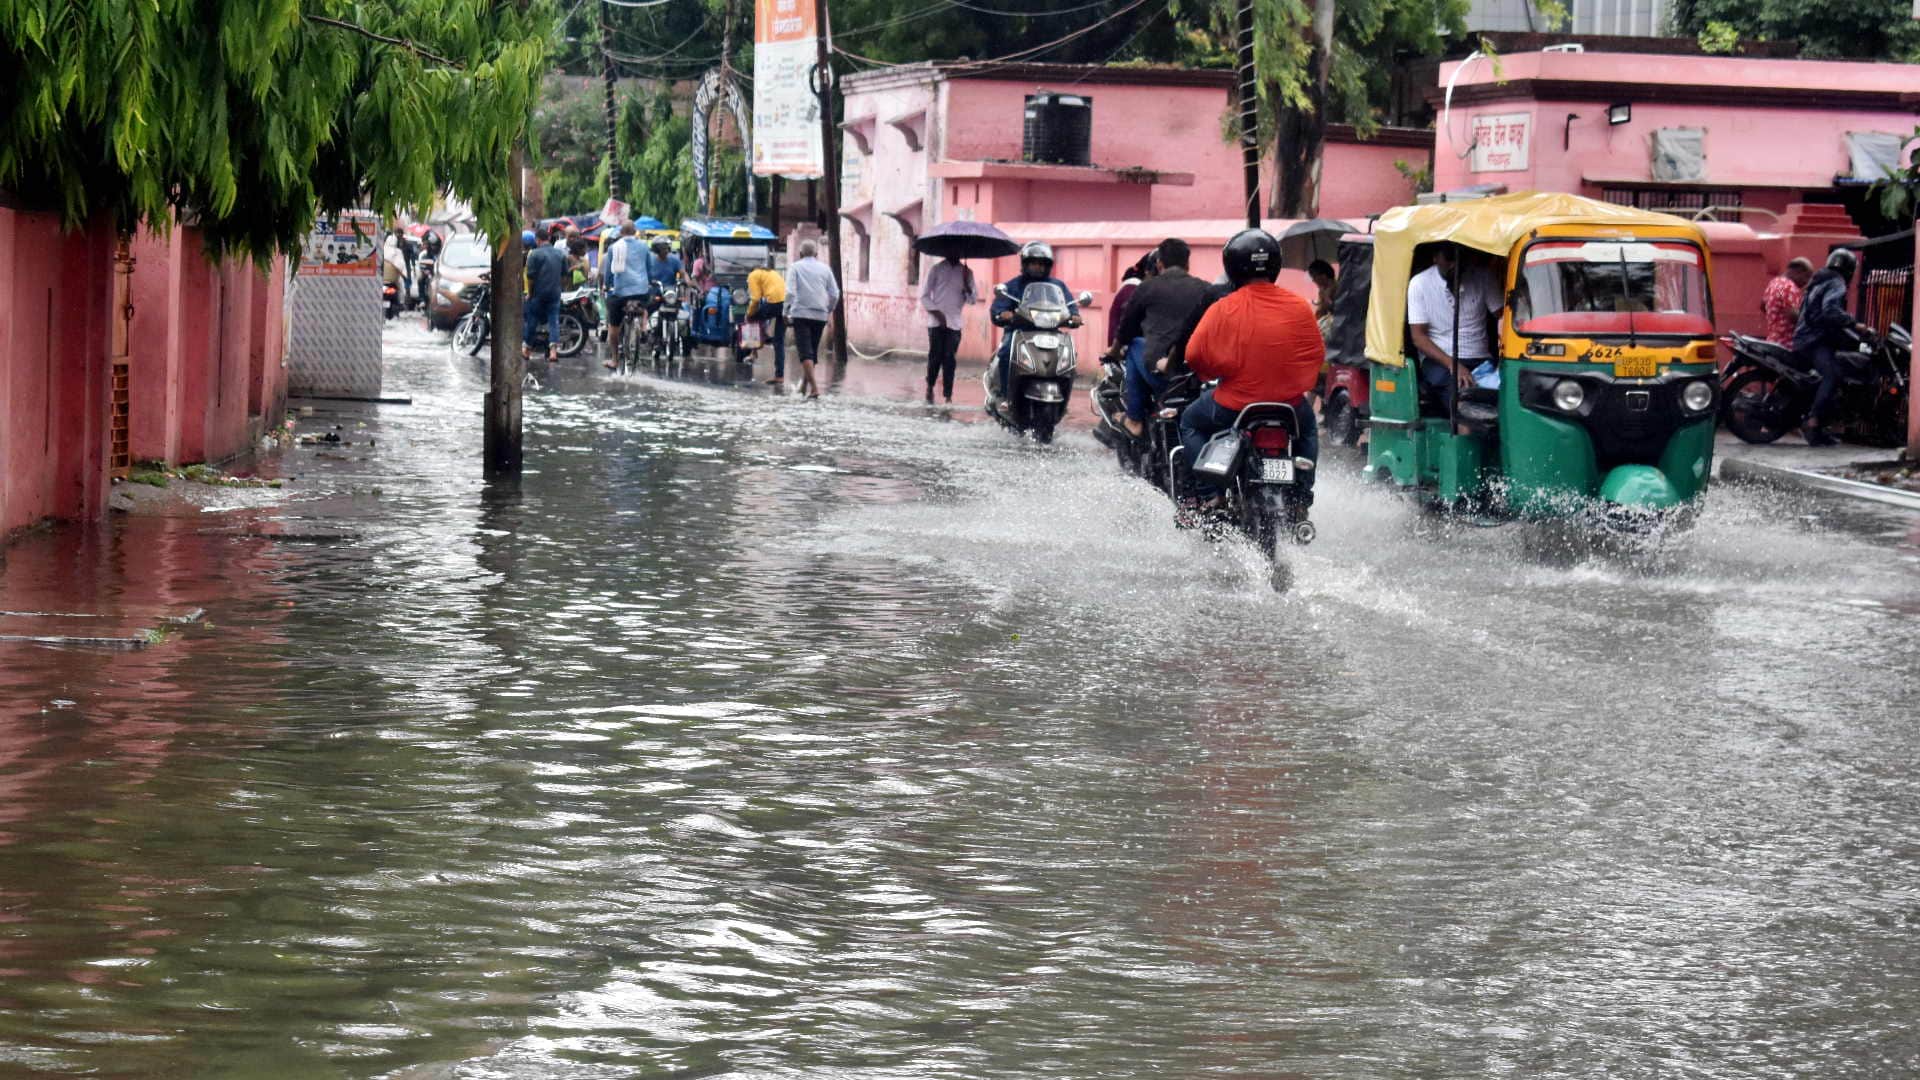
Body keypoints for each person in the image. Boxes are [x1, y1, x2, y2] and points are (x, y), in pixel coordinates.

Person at [1179, 228, 1324, 508]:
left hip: (1233, 405)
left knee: (1190, 422)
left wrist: (1215, 371)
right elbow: (1316, 354)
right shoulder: (1300, 306)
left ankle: (1210, 495)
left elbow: (1194, 354)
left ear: (1232, 266)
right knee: (1307, 431)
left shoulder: (1224, 307)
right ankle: (1302, 497)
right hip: (1289, 406)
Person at [1106, 238, 1209, 438]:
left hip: (1163, 373)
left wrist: (1114, 350)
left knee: (1135, 344)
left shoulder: (1146, 288)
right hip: (1198, 375)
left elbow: (1126, 329)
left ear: (1159, 263)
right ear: (1187, 264)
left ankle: (1134, 419)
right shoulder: (1206, 289)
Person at [1407, 242, 1502, 414]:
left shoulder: (1482, 277)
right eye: (1449, 258)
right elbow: (1418, 337)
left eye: (1461, 259)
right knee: (1466, 407)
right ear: (1435, 258)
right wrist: (1453, 365)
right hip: (1441, 361)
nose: (1455, 265)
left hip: (1481, 359)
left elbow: (1502, 316)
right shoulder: (1419, 284)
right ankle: (1463, 437)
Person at [1793, 248, 1868, 447]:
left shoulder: (1818, 281)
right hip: (1814, 341)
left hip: (1803, 338)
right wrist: (1855, 324)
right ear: (1849, 270)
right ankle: (1813, 421)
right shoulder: (1836, 283)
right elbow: (1830, 310)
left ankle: (1820, 429)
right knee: (1832, 375)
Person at [990, 241, 1080, 402]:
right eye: (1033, 263)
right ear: (1025, 264)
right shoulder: (1013, 285)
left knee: (1069, 356)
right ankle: (1004, 395)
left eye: (1041, 264)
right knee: (1005, 354)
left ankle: (1064, 399)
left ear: (1048, 265)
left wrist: (1074, 316)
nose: (1037, 267)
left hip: (1051, 332)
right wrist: (1003, 313)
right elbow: (999, 306)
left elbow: (1069, 305)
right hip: (1020, 332)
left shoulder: (1057, 286)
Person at [785, 240, 841, 399]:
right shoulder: (825, 269)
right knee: (812, 352)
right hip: (820, 315)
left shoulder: (795, 267)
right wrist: (828, 309)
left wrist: (785, 311)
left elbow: (790, 292)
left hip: (801, 314)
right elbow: (835, 294)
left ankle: (815, 388)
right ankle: (803, 386)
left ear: (800, 254)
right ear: (816, 254)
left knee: (805, 352)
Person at [920, 253, 977, 403]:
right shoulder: (936, 269)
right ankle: (930, 386)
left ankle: (948, 396)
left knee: (949, 359)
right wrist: (938, 314)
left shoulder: (967, 273)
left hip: (955, 323)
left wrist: (967, 289)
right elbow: (924, 296)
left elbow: (973, 300)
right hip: (936, 322)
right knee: (935, 357)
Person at [601, 222, 652, 369]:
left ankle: (615, 359)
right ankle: (643, 325)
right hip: (642, 292)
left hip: (620, 292)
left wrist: (607, 285)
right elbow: (649, 268)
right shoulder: (643, 246)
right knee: (646, 304)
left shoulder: (613, 247)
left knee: (613, 328)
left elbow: (609, 273)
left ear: (621, 232)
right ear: (635, 232)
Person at [523, 226, 568, 364]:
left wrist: (530, 294)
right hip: (555, 293)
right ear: (548, 239)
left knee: (532, 320)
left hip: (538, 293)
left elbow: (530, 277)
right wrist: (559, 288)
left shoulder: (534, 254)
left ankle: (527, 350)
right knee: (553, 321)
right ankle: (553, 352)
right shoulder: (560, 254)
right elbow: (565, 275)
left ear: (537, 240)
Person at [747, 253, 789, 385]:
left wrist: (749, 314)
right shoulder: (772, 273)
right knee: (779, 341)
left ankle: (754, 351)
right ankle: (779, 376)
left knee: (752, 320)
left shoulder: (753, 275)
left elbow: (755, 299)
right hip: (787, 305)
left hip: (775, 303)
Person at [1763, 257, 1813, 348]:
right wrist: (1812, 322)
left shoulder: (1774, 283)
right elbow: (1792, 315)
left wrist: (1776, 319)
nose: (1806, 282)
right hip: (1787, 344)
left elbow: (1763, 305)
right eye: (1806, 277)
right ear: (1799, 272)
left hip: (1773, 340)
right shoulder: (1789, 287)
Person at [1308, 258, 1337, 341]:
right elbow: (1320, 312)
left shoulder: (1338, 288)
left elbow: (1338, 312)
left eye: (1314, 277)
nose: (1313, 280)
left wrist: (1326, 298)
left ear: (1323, 276)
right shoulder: (1322, 290)